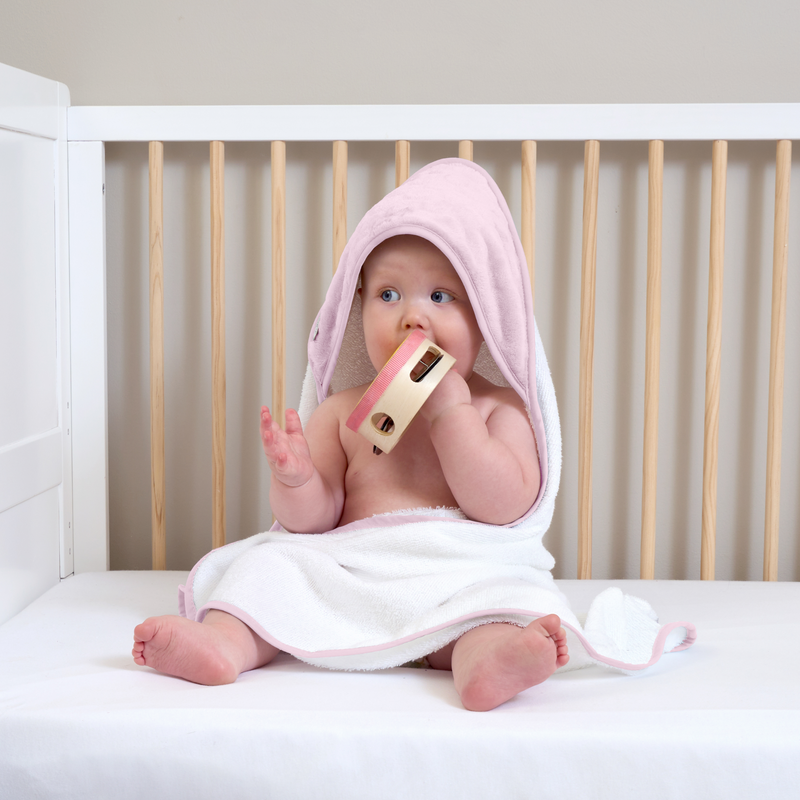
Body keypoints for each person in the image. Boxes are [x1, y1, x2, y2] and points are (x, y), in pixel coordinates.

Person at [133, 233, 568, 712]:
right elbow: (311, 523)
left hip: (458, 580)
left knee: (500, 602)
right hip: (354, 577)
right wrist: (297, 480)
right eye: (388, 294)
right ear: (357, 311)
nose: (413, 317)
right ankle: (223, 643)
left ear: (485, 318)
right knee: (268, 567)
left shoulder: (498, 409)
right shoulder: (342, 412)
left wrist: (451, 415)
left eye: (440, 297)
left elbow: (505, 507)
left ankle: (485, 659)